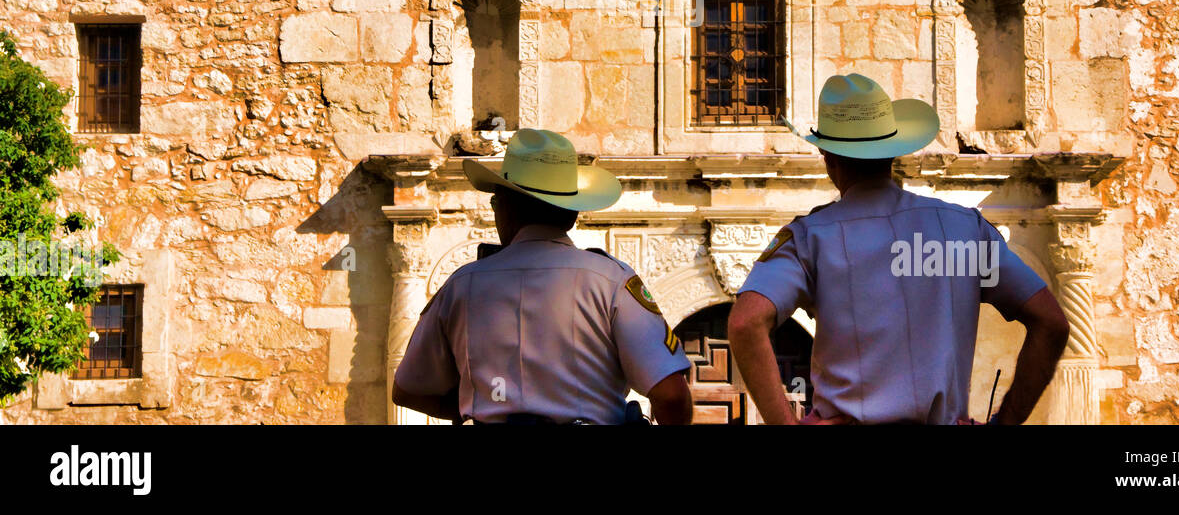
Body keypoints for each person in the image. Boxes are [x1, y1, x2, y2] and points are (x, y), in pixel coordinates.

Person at [729, 73, 1069, 425]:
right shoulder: (965, 230)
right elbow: (1051, 322)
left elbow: (745, 322)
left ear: (828, 158)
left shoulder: (809, 238)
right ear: (892, 152)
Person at [393, 128, 694, 425]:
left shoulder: (461, 286)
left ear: (506, 208)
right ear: (573, 213)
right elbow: (671, 396)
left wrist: (474, 406)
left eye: (495, 204)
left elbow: (408, 390)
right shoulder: (611, 281)